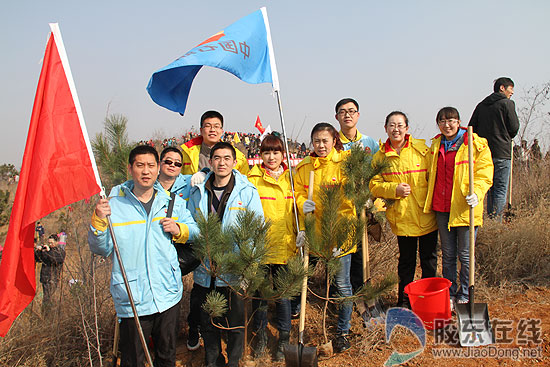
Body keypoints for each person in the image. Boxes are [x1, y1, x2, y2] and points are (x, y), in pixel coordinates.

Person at [88, 145, 199, 367]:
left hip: (167, 293)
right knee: (133, 360)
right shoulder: (114, 205)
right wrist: (98, 221)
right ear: (130, 169)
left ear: (158, 168)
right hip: (133, 298)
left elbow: (195, 231)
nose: (146, 171)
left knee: (166, 356)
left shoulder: (171, 202)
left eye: (151, 165)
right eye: (140, 165)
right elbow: (101, 248)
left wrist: (179, 230)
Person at [188, 142, 263, 367]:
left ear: (234, 161)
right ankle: (213, 361)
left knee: (235, 325)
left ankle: (233, 362)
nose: (222, 162)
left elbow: (256, 231)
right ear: (210, 162)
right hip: (205, 272)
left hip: (233, 273)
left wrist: (249, 268)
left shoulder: (247, 192)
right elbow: (190, 223)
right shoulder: (198, 190)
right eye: (217, 158)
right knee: (208, 324)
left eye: (227, 158)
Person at [294, 122, 355, 353]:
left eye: (325, 141)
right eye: (317, 141)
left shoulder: (344, 164)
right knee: (303, 279)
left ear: (334, 141)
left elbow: (350, 205)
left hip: (339, 235)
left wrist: (343, 239)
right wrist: (302, 203)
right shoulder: (305, 167)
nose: (321, 145)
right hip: (314, 234)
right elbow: (298, 193)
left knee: (341, 285)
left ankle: (343, 332)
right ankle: (296, 324)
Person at [425, 107, 493, 308]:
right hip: (442, 207)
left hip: (464, 208)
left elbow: (484, 174)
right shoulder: (435, 145)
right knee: (447, 255)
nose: (447, 125)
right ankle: (449, 293)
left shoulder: (474, 144)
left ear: (459, 121)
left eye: (451, 120)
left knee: (465, 254)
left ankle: (465, 293)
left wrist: (478, 193)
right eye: (442, 121)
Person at [369, 111, 438, 308]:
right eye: (391, 125)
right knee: (406, 263)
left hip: (426, 216)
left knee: (429, 262)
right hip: (402, 218)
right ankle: (405, 302)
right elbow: (374, 184)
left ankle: (428, 302)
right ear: (385, 129)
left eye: (400, 125)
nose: (396, 129)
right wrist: (393, 190)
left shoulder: (422, 150)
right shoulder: (381, 157)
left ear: (407, 128)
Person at [247, 133, 298, 361]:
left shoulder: (292, 180)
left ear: (282, 154)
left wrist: (301, 231)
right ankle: (261, 338)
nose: (271, 157)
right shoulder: (252, 179)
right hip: (260, 246)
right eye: (266, 152)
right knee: (260, 296)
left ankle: (284, 340)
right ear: (261, 155)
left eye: (276, 152)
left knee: (283, 296)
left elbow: (297, 212)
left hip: (285, 246)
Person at [334, 97, 379, 295]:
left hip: (363, 204)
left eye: (351, 111)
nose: (347, 115)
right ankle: (340, 291)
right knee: (342, 249)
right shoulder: (333, 143)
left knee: (361, 248)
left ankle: (360, 291)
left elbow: (378, 172)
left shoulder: (369, 143)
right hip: (341, 206)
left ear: (358, 115)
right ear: (337, 117)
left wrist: (373, 200)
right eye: (343, 112)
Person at [469, 77, 519, 220]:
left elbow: (472, 129)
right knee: (500, 189)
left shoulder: (481, 105)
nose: (512, 92)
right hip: (502, 152)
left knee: (489, 188)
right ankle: (496, 223)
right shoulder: (507, 104)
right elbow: (514, 128)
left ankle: (490, 220)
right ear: (502, 88)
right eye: (511, 88)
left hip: (483, 154)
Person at [180, 110, 249, 177]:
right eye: (208, 126)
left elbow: (245, 184)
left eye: (216, 126)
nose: (212, 130)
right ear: (201, 130)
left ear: (222, 131)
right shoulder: (187, 154)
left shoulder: (239, 157)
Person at [35, 233, 66, 314]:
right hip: (45, 278)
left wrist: (47, 251)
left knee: (48, 298)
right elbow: (38, 259)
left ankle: (48, 315)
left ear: (57, 242)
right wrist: (39, 251)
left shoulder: (60, 252)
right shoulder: (46, 251)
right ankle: (45, 315)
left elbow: (54, 259)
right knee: (46, 298)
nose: (50, 244)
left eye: (51, 243)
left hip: (53, 278)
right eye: (49, 243)